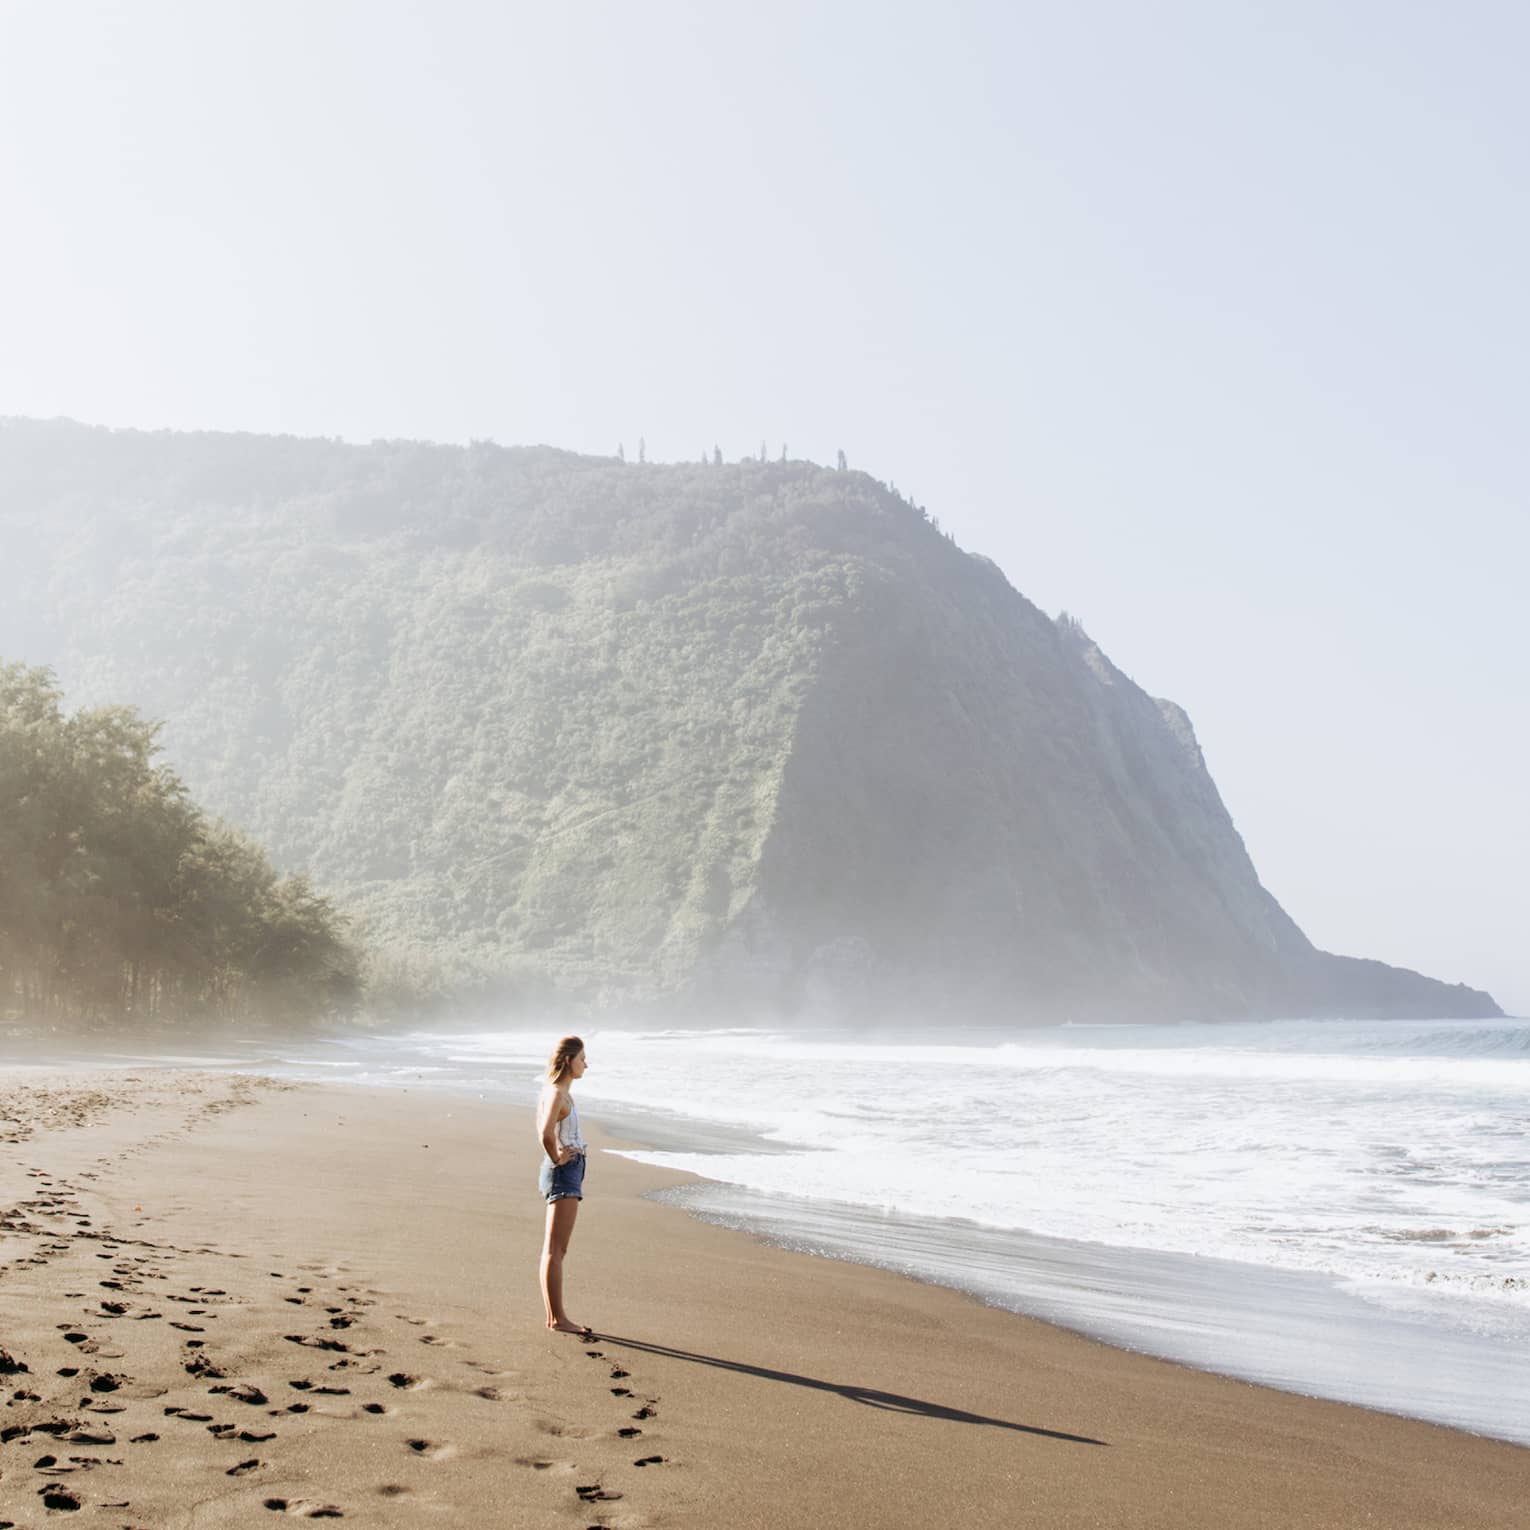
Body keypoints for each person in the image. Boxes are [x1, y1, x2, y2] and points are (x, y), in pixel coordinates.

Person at [536, 1035, 592, 1335]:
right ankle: (558, 1319)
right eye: (582, 1058)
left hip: (565, 1169)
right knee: (556, 1250)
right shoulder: (557, 1093)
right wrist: (558, 1156)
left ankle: (553, 1316)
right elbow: (545, 1133)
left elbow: (546, 1130)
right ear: (568, 1060)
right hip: (564, 1171)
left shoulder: (554, 1091)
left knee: (554, 1250)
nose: (586, 1064)